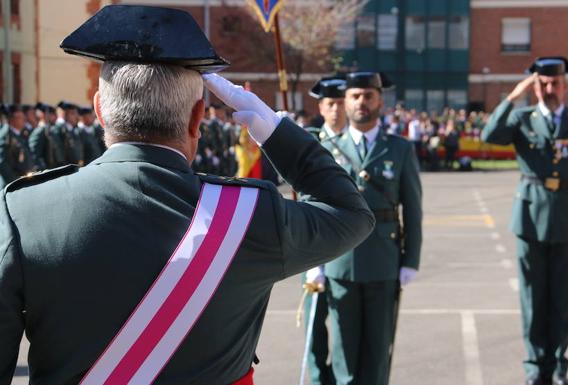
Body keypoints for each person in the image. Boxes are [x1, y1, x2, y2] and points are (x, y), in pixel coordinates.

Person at [0, 5, 374, 385]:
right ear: (198, 117)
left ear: (100, 111)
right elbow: (351, 213)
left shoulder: (23, 211)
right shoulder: (247, 215)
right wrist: (275, 130)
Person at [481, 57, 568, 385]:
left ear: (565, 86)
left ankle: (559, 364)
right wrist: (511, 97)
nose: (550, 89)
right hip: (530, 219)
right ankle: (535, 366)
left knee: (562, 299)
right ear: (535, 87)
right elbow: (489, 135)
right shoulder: (521, 119)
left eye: (555, 83)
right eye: (543, 84)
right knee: (533, 299)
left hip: (565, 216)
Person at [316, 71, 423, 385]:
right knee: (344, 355)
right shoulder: (328, 148)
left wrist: (410, 259)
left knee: (377, 355)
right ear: (346, 100)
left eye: (368, 96)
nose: (362, 102)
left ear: (380, 100)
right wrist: (315, 261)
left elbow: (413, 209)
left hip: (383, 261)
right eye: (355, 96)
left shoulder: (400, 149)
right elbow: (318, 209)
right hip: (341, 262)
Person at [300, 75, 349, 385]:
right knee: (314, 324)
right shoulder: (309, 142)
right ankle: (319, 380)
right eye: (331, 104)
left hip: (348, 245)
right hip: (316, 242)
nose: (336, 110)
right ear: (321, 106)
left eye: (341, 103)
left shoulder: (356, 140)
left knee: (346, 326)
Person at [0, 105, 35, 188]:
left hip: (22, 181)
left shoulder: (20, 134)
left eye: (23, 117)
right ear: (12, 119)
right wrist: (15, 182)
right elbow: (2, 162)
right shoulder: (6, 136)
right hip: (11, 185)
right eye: (20, 117)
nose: (24, 120)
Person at [29, 103, 65, 171]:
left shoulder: (51, 130)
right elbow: (34, 156)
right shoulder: (39, 131)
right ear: (43, 115)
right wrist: (43, 169)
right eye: (52, 114)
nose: (55, 117)